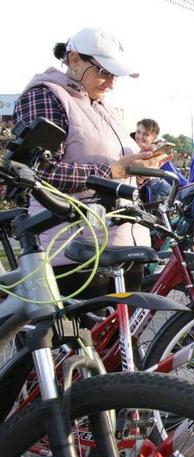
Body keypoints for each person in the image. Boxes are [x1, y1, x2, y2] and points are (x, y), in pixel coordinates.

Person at [12, 27, 166, 297]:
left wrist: (141, 171)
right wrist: (115, 170)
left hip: (122, 243)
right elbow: (38, 173)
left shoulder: (102, 105)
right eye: (104, 72)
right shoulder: (47, 96)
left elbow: (118, 173)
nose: (111, 83)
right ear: (74, 60)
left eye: (115, 75)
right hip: (73, 249)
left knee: (123, 336)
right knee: (82, 336)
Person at [133, 118, 188, 202]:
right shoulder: (126, 147)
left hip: (145, 198)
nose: (140, 137)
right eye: (138, 132)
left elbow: (180, 181)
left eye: (146, 134)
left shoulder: (156, 155)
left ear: (154, 138)